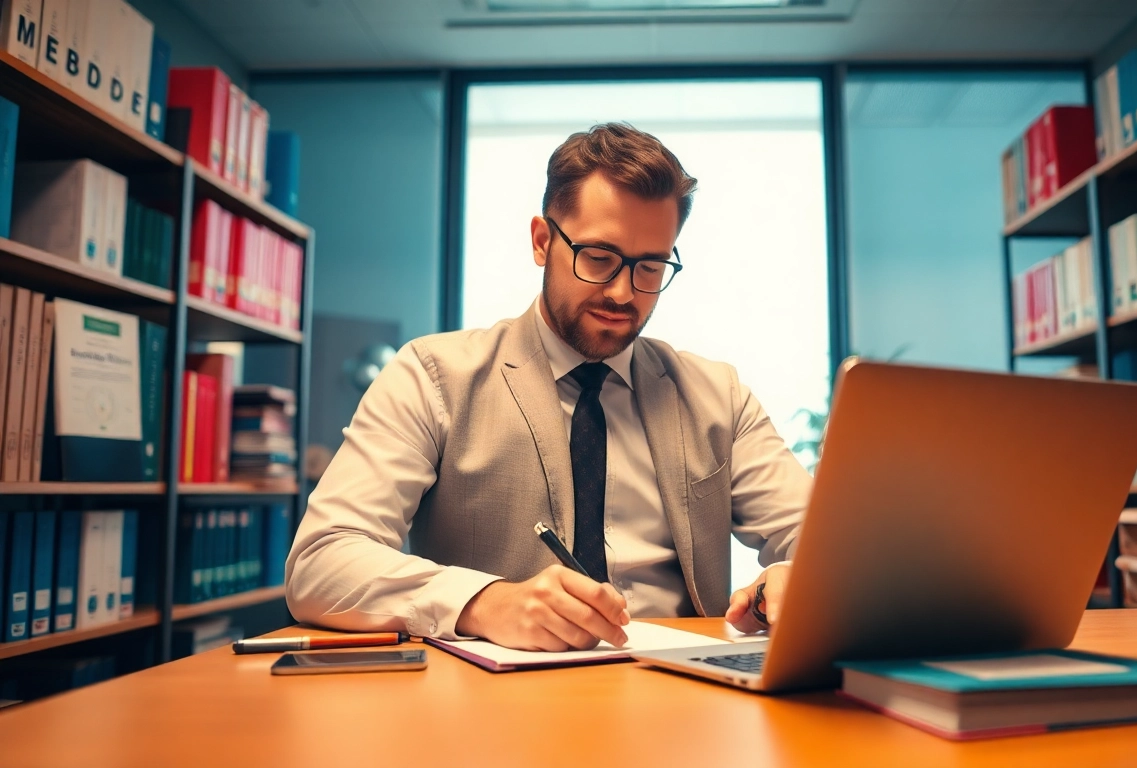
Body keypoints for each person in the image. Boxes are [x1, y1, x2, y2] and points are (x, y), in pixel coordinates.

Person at [286, 122, 812, 651]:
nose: (623, 292)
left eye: (651, 267)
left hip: (686, 684)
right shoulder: (433, 377)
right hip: (496, 692)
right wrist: (483, 602)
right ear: (542, 242)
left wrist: (796, 574)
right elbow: (321, 561)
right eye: (599, 258)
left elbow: (827, 546)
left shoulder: (719, 396)